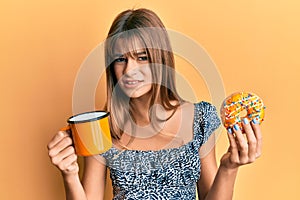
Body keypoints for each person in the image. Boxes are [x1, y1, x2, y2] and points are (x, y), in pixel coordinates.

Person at [47, 8, 262, 200]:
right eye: (121, 59)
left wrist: (229, 167)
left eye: (142, 58)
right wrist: (69, 175)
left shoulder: (199, 119)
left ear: (161, 59)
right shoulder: (102, 128)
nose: (130, 70)